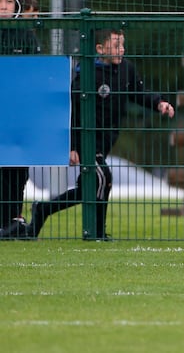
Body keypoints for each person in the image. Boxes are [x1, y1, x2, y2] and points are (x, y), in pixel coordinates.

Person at [25, 28, 174, 240]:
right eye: (115, 46)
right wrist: (72, 146)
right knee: (104, 177)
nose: (120, 50)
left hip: (106, 140)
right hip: (87, 140)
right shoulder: (86, 74)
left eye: (122, 45)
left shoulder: (126, 69)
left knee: (90, 186)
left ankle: (44, 209)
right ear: (100, 48)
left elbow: (139, 94)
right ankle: (96, 233)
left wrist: (159, 103)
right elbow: (73, 113)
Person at [0, 0, 42, 239]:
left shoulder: (26, 36)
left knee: (16, 168)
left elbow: (37, 77)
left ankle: (14, 219)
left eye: (8, 2)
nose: (3, 7)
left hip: (17, 118)